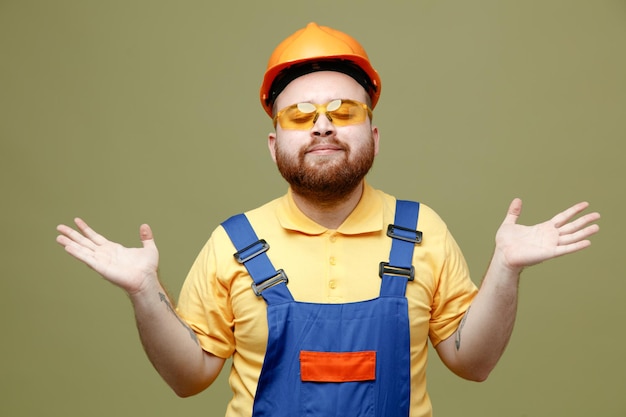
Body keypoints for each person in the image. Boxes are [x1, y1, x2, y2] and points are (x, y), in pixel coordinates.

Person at [56, 22, 600, 417]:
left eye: (344, 112)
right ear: (275, 146)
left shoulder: (423, 229)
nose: (322, 126)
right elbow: (189, 379)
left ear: (374, 137)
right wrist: (143, 291)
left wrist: (506, 268)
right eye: (300, 115)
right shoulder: (233, 242)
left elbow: (472, 362)